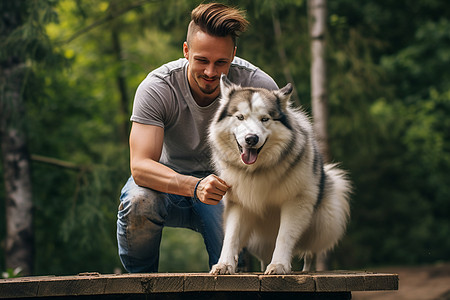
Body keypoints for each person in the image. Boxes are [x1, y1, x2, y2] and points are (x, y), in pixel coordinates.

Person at [117, 3, 278, 273]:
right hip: (166, 187)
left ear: (234, 55)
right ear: (186, 51)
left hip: (230, 191)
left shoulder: (259, 87)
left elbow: (279, 157)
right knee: (138, 201)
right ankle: (139, 285)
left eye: (221, 62)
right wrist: (196, 186)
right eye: (202, 60)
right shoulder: (157, 87)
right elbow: (141, 166)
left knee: (233, 274)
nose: (211, 72)